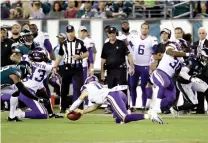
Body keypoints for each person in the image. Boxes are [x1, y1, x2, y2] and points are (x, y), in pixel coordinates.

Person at [66, 75, 164, 124]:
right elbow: (96, 105)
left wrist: (70, 110)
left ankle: (149, 115)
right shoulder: (98, 88)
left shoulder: (87, 87)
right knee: (118, 120)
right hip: (119, 94)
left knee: (124, 118)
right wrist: (83, 111)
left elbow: (79, 99)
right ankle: (126, 111)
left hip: (112, 96)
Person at [150, 39, 195, 113]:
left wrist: (190, 62)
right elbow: (171, 53)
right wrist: (187, 54)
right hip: (160, 72)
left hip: (169, 77)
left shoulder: (181, 59)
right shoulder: (171, 47)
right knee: (165, 83)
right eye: (183, 47)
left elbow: (179, 72)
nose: (184, 49)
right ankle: (156, 107)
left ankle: (158, 108)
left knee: (172, 97)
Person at [53, 25, 89, 113]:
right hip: (67, 67)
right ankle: (63, 108)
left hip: (77, 67)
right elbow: (60, 56)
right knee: (64, 88)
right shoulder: (63, 43)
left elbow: (87, 53)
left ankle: (80, 108)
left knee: (79, 87)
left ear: (74, 32)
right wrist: (55, 66)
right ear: (66, 33)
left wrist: (79, 57)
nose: (70, 34)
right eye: (68, 32)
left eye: (71, 32)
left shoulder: (80, 42)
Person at [101, 26, 134, 113]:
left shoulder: (121, 43)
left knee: (122, 88)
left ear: (116, 33)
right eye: (110, 33)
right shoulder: (106, 45)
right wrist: (102, 73)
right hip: (110, 70)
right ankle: (110, 106)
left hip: (121, 69)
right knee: (111, 89)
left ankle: (125, 106)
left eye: (113, 33)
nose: (112, 34)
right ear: (107, 34)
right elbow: (103, 60)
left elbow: (129, 55)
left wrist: (131, 66)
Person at [127, 23, 157, 111]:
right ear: (141, 29)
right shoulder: (134, 39)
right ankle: (133, 105)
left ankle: (143, 106)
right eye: (143, 28)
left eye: (146, 28)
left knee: (144, 86)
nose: (144, 30)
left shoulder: (152, 39)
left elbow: (155, 49)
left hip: (145, 66)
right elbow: (128, 49)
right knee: (132, 86)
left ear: (148, 30)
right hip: (135, 65)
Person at [171, 48, 208, 117]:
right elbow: (182, 73)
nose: (205, 60)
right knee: (194, 104)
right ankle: (175, 108)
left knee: (207, 88)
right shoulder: (192, 61)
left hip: (192, 81)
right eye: (205, 58)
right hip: (183, 83)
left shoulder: (203, 64)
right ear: (200, 56)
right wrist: (191, 78)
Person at [192, 27, 208, 113]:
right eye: (200, 33)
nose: (201, 35)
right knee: (199, 90)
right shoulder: (195, 44)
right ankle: (200, 108)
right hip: (198, 70)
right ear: (198, 34)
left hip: (206, 70)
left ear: (206, 34)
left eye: (203, 33)